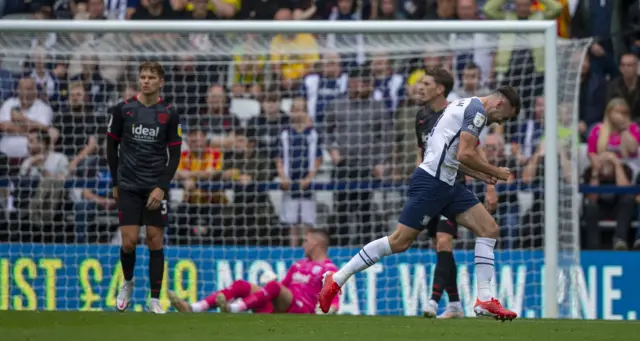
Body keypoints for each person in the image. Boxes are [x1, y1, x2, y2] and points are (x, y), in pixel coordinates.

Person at [319, 86, 521, 321]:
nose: (499, 122)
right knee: (399, 242)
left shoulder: (462, 104)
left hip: (448, 184)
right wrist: (496, 170)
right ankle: (337, 278)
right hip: (432, 184)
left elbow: (453, 157)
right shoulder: (476, 112)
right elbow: (465, 154)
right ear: (500, 104)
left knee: (489, 229)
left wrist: (484, 176)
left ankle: (485, 299)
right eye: (504, 116)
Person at [107, 61, 182, 314]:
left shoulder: (170, 113)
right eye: (143, 76)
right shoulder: (123, 109)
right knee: (128, 243)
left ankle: (154, 299)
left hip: (154, 188)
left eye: (151, 77)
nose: (146, 80)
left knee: (154, 241)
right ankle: (127, 282)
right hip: (128, 185)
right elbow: (110, 148)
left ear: (161, 82)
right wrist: (116, 183)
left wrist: (161, 187)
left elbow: (175, 154)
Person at [168, 229, 339, 314]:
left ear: (316, 244)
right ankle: (194, 307)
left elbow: (334, 303)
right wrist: (271, 286)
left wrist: (327, 311)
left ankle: (233, 309)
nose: (303, 244)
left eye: (306, 241)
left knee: (274, 287)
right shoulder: (298, 265)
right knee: (242, 285)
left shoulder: (329, 270)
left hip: (303, 310)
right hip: (283, 306)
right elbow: (282, 286)